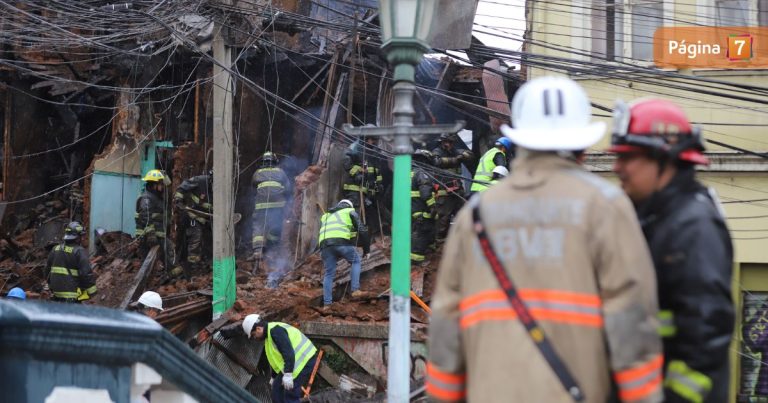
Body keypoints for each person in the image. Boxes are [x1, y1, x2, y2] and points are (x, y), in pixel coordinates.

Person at [427, 76, 663, 402]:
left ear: (519, 142)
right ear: (581, 147)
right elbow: (632, 328)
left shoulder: (475, 217)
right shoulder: (606, 207)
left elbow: (445, 333)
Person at [609, 98, 734, 403]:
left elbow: (706, 336)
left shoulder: (693, 226)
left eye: (629, 157)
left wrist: (675, 397)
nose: (617, 168)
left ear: (665, 159)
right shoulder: (658, 216)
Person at [242, 314, 318, 403]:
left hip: (304, 361)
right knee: (276, 391)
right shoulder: (269, 337)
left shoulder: (275, 331)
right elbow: (277, 361)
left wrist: (288, 374)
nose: (255, 338)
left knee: (290, 396)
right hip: (294, 364)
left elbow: (288, 353)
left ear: (258, 328)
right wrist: (274, 377)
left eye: (253, 335)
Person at [318, 199, 369, 306]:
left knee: (328, 274)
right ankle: (355, 290)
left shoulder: (326, 216)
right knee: (356, 261)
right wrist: (366, 250)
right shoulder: (349, 211)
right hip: (341, 243)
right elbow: (363, 230)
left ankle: (327, 304)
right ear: (349, 206)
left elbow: (332, 231)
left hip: (325, 246)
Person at [136, 169, 180, 277]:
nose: (162, 187)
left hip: (157, 233)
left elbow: (168, 185)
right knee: (164, 251)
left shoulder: (155, 196)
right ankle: (173, 274)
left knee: (162, 253)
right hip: (149, 235)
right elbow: (145, 216)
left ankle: (171, 275)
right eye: (160, 184)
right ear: (154, 185)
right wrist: (151, 234)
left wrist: (164, 176)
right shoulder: (147, 198)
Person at [431, 133, 473, 242]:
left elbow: (470, 155)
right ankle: (439, 241)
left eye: (451, 142)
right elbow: (436, 162)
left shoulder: (454, 150)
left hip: (458, 189)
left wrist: (463, 155)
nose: (449, 144)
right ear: (442, 142)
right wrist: (455, 160)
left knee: (464, 214)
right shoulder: (437, 152)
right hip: (444, 190)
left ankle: (464, 238)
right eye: (447, 142)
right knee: (444, 218)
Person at [251, 152, 291, 263]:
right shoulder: (281, 172)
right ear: (275, 161)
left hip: (261, 206)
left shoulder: (257, 173)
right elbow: (288, 189)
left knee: (259, 226)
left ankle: (258, 251)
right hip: (277, 206)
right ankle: (272, 249)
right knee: (275, 226)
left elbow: (253, 188)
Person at [44, 221, 98, 303]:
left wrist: (50, 286)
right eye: (81, 236)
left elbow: (47, 270)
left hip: (56, 296)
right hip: (71, 297)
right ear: (77, 237)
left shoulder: (55, 249)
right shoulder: (79, 251)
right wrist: (92, 292)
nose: (82, 238)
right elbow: (86, 274)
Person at [342, 135, 383, 231]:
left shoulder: (374, 153)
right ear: (367, 139)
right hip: (355, 189)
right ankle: (353, 239)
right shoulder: (355, 148)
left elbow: (376, 171)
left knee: (369, 215)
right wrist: (356, 174)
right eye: (374, 140)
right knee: (355, 215)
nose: (375, 142)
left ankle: (366, 238)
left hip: (366, 191)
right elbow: (345, 161)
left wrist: (378, 185)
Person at [174, 172, 213, 273]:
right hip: (192, 215)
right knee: (196, 237)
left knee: (210, 240)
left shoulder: (220, 188)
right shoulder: (199, 180)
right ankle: (192, 267)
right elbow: (181, 188)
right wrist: (178, 200)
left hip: (207, 219)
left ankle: (210, 263)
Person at [410, 149, 437, 265]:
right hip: (420, 210)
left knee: (420, 232)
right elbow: (425, 193)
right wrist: (433, 207)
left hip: (410, 209)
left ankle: (430, 250)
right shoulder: (421, 173)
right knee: (421, 234)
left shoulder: (408, 173)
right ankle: (417, 260)